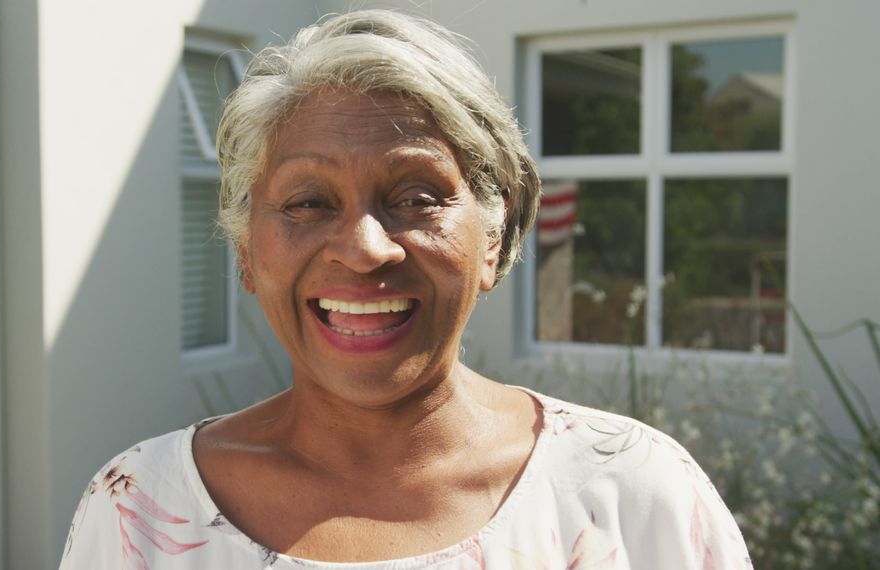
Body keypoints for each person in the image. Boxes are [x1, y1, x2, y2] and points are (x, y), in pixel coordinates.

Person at [60, 10, 751, 569]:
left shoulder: (629, 495)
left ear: (493, 235)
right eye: (307, 203)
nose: (364, 249)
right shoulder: (140, 513)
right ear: (247, 250)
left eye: (416, 196)